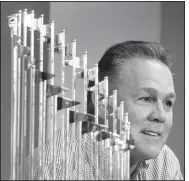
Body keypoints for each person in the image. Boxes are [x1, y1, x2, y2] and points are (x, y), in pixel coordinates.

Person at [23, 40, 183, 180]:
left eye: (168, 103)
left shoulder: (165, 163)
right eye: (146, 99)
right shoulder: (56, 167)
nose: (161, 115)